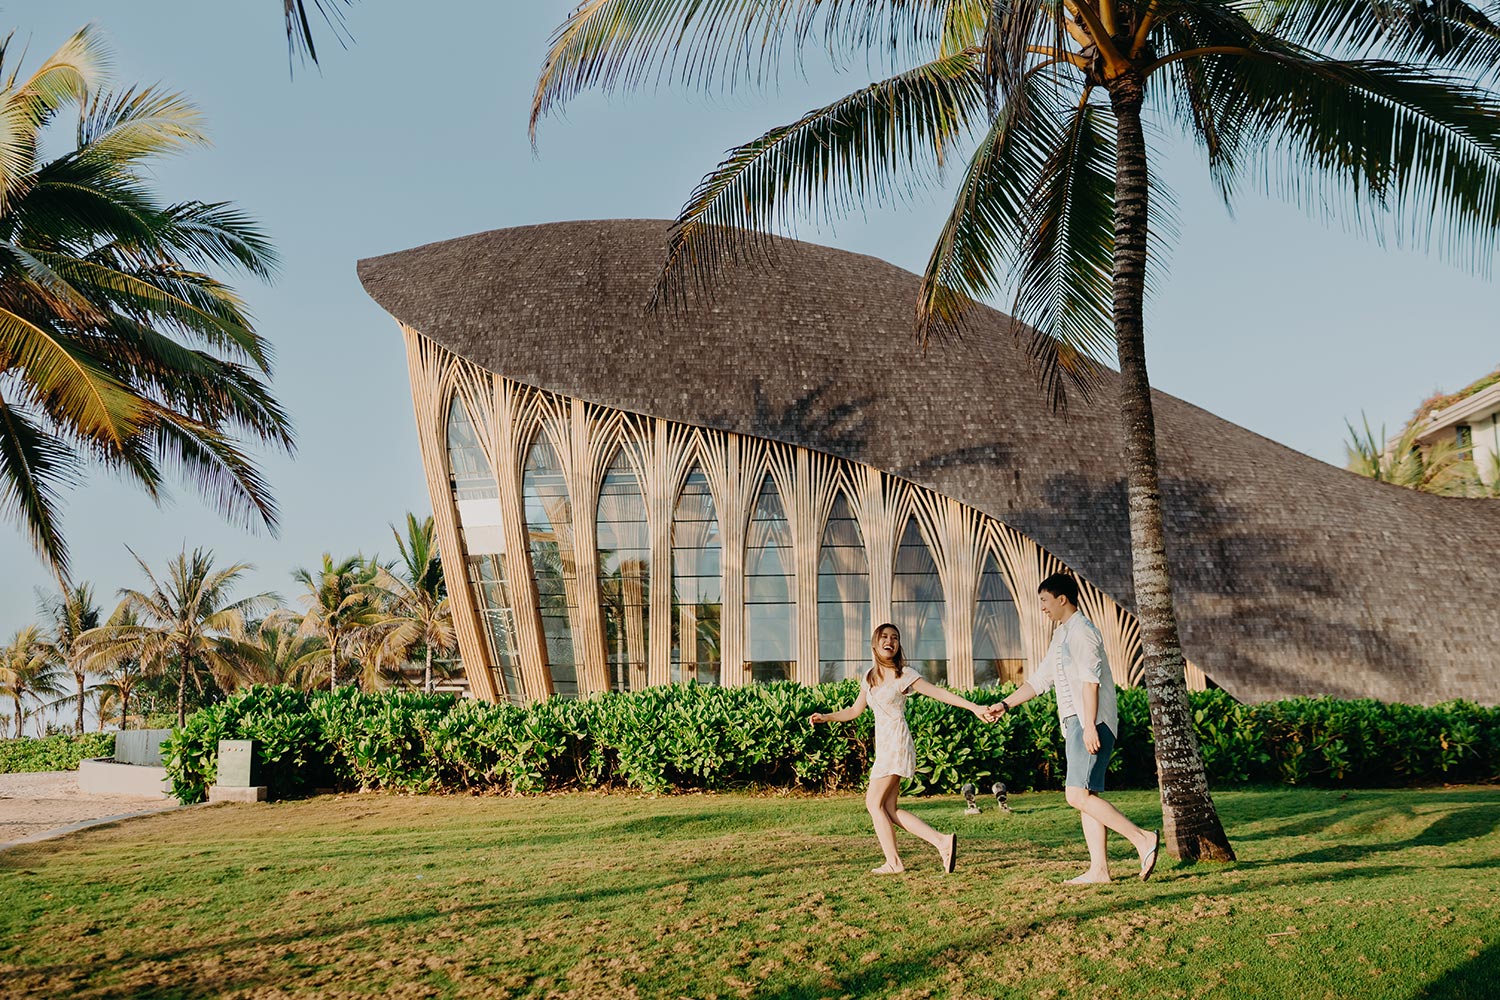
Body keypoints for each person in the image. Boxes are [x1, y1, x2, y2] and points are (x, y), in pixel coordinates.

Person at [985, 572, 1160, 883]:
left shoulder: (1084, 633)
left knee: (1076, 795)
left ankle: (1142, 838)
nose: (1042, 607)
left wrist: (1090, 726)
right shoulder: (1061, 635)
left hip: (1090, 722)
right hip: (1076, 724)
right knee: (1086, 795)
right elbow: (1040, 680)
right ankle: (1099, 870)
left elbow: (1091, 683)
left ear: (1061, 599)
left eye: (1044, 601)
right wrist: (1005, 704)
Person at [810, 622, 991, 874]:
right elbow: (854, 711)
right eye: (884, 636)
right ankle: (941, 842)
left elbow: (939, 693)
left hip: (896, 743)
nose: (890, 641)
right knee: (889, 809)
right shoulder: (869, 677)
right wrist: (826, 716)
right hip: (884, 746)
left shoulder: (904, 675)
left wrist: (974, 707)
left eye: (895, 638)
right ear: (875, 643)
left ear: (898, 646)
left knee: (873, 804)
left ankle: (895, 862)